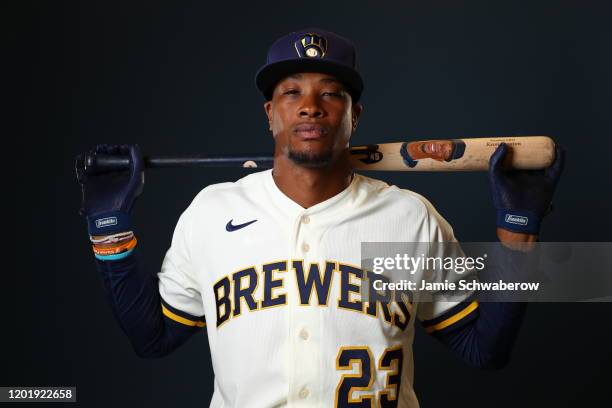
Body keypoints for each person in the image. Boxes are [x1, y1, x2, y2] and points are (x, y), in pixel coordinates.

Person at [76, 28, 564, 407]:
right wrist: (109, 231)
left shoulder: (410, 217)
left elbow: (486, 350)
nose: (310, 107)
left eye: (331, 94)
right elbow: (152, 338)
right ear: (270, 113)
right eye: (292, 92)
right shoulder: (212, 211)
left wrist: (517, 234)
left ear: (355, 116)